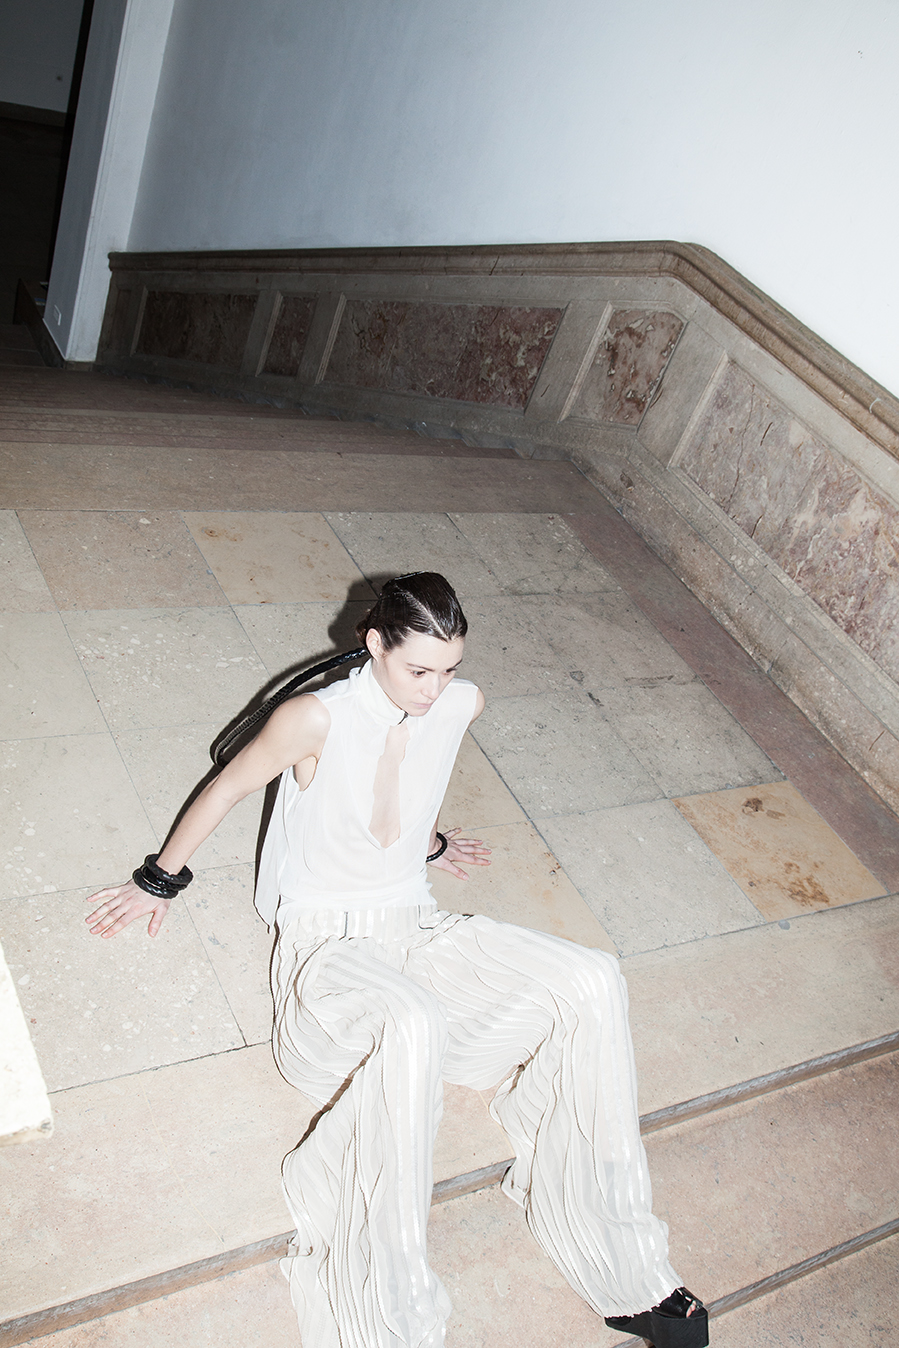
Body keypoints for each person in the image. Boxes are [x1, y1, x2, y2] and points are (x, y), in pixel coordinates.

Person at [87, 572, 708, 1348]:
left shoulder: (460, 703)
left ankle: (624, 1263)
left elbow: (421, 770)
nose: (433, 689)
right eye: (418, 669)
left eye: (447, 669)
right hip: (329, 946)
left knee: (590, 977)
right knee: (413, 1023)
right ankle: (391, 1318)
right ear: (374, 642)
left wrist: (430, 843)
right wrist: (156, 883)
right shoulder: (312, 718)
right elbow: (226, 788)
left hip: (415, 925)